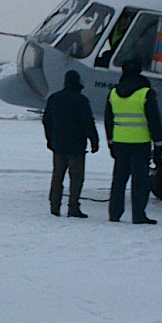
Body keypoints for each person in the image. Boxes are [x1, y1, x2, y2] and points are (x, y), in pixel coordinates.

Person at [104, 59, 162, 224]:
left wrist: (110, 142)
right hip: (140, 143)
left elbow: (108, 120)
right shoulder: (145, 93)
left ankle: (114, 213)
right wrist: (159, 145)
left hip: (120, 143)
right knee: (140, 182)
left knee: (118, 180)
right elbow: (154, 121)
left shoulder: (113, 92)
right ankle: (138, 214)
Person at [42, 69, 99, 218]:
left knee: (57, 176)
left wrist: (50, 139)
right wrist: (94, 140)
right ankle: (73, 207)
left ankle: (54, 206)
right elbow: (88, 123)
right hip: (76, 146)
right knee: (76, 177)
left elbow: (47, 121)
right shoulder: (81, 100)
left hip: (58, 144)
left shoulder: (54, 98)